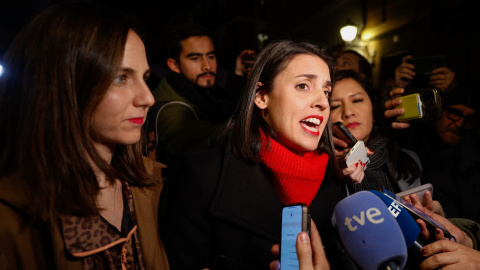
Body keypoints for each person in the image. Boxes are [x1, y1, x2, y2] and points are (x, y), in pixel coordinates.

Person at [160, 40, 357, 269]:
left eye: (326, 91)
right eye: (303, 86)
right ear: (262, 97)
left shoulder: (338, 189)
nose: (323, 102)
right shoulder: (202, 176)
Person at [0, 3, 169, 269]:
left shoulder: (147, 187)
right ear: (63, 84)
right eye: (121, 78)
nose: (148, 97)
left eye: (145, 77)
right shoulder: (12, 220)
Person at [148, 22, 254, 167]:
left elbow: (225, 106)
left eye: (210, 56)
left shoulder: (203, 92)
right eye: (195, 58)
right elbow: (224, 137)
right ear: (174, 65)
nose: (207, 66)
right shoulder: (170, 111)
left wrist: (238, 77)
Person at [330, 70, 421, 193]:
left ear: (373, 108)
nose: (348, 112)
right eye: (334, 106)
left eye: (357, 100)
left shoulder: (408, 161)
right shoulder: (324, 169)